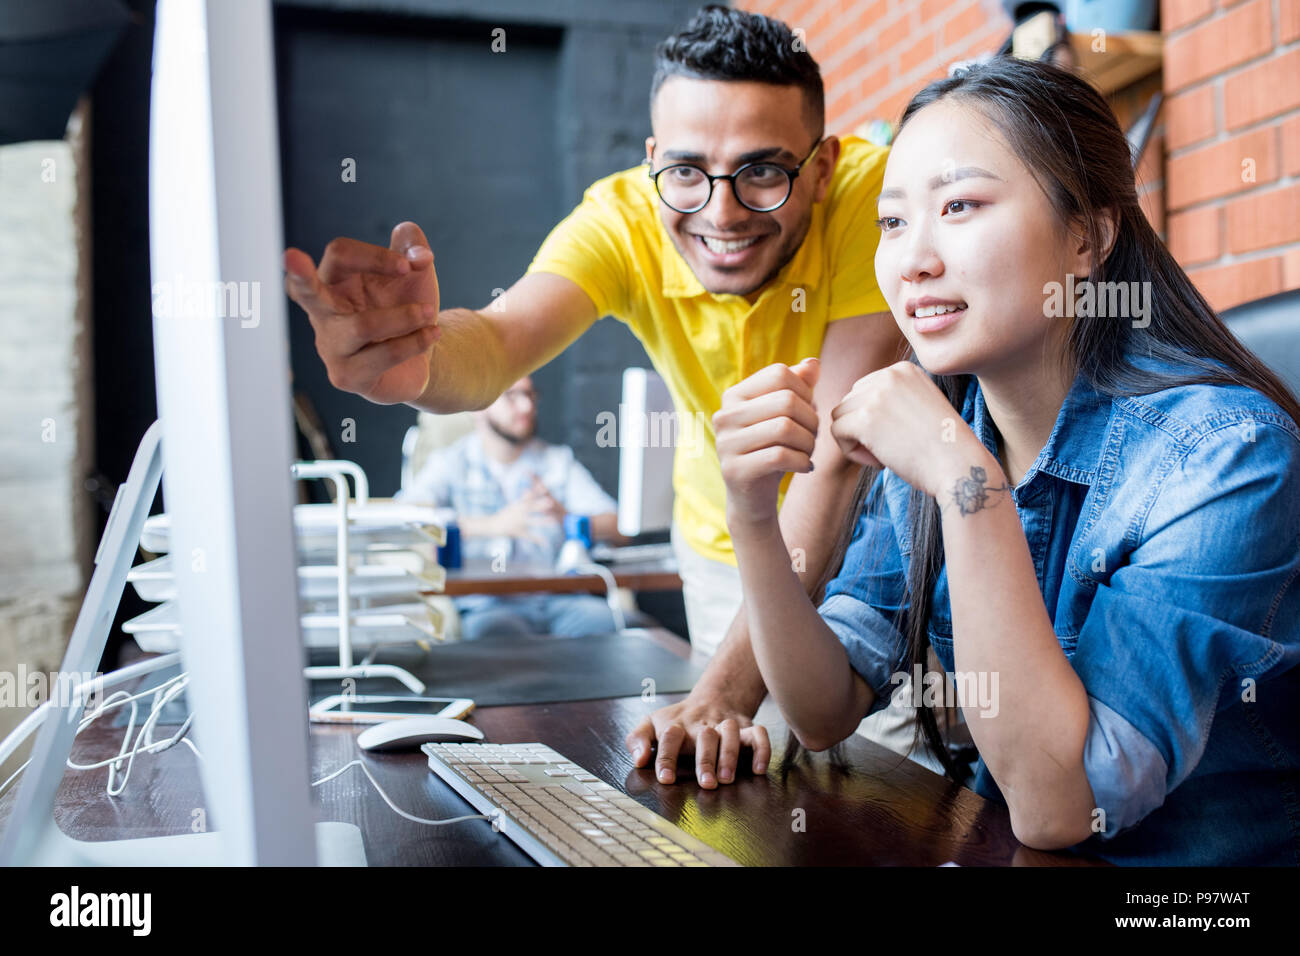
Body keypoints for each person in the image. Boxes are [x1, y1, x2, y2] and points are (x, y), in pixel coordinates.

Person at [285, 6, 914, 786]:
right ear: (654, 161)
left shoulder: (871, 200)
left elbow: (833, 464)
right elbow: (498, 338)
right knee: (751, 791)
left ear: (820, 167)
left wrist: (718, 691)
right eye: (686, 171)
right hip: (725, 554)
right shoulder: (622, 216)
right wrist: (415, 363)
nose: (720, 214)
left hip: (865, 549)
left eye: (762, 171)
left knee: (885, 784)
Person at [713, 56, 1300, 864]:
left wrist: (969, 487)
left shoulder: (1227, 452)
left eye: (959, 205)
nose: (912, 259)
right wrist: (751, 515)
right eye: (891, 222)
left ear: (1088, 238)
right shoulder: (949, 424)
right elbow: (824, 707)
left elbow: (1065, 805)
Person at [397, 376, 625, 640]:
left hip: (558, 599)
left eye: (530, 395)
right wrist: (491, 525)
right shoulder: (450, 463)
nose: (526, 406)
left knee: (619, 629)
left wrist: (566, 518)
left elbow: (621, 526)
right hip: (488, 604)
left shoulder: (557, 462)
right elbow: (404, 518)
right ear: (478, 407)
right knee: (500, 642)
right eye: (511, 396)